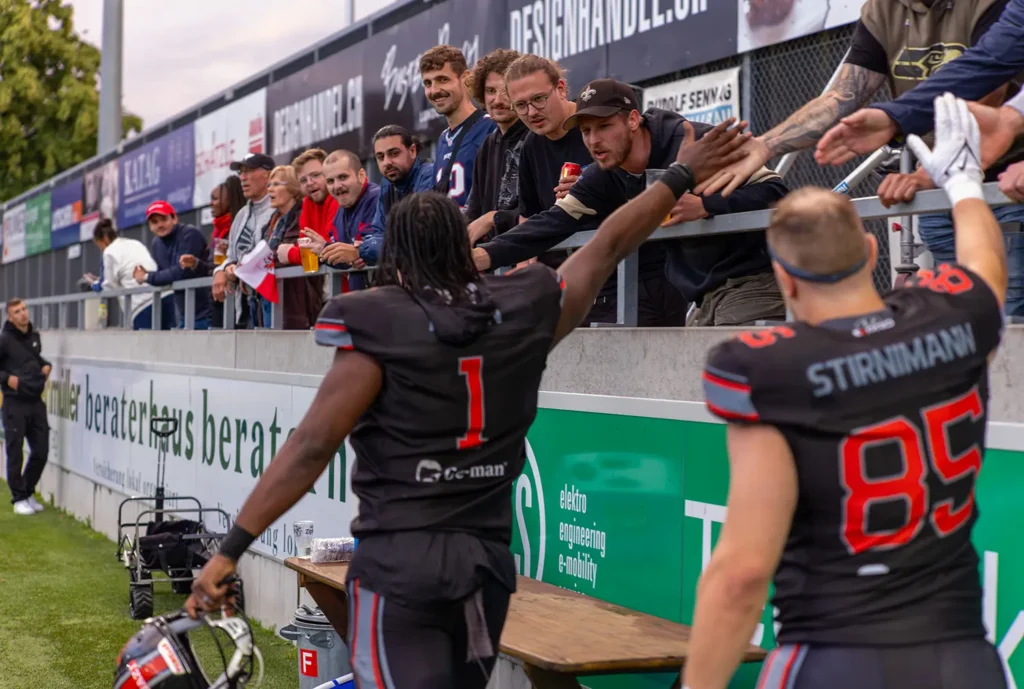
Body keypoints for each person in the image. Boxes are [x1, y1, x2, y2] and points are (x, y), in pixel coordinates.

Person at [185, 117, 752, 688]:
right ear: (465, 247)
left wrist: (231, 548)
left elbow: (310, 447)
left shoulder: (378, 320)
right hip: (483, 564)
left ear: (397, 257)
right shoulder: (526, 304)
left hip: (400, 563)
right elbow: (606, 246)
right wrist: (679, 175)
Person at [685, 94, 1009, 689]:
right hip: (963, 657)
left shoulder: (769, 368)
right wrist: (964, 183)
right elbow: (987, 267)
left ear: (782, 275)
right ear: (870, 249)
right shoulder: (949, 316)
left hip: (836, 654)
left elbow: (742, 574)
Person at [476, 78, 789, 326]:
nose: (594, 140)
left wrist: (708, 207)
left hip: (757, 280)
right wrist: (482, 256)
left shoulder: (692, 144)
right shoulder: (606, 172)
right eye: (585, 131)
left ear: (633, 120)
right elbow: (550, 223)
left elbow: (776, 192)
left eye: (604, 126)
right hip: (704, 296)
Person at [815, 0, 1024, 163]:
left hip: (1001, 169)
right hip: (941, 166)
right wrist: (894, 116)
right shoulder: (880, 10)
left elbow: (991, 82)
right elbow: (985, 65)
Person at [485, 54, 592, 274]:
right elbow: (529, 217)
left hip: (618, 270)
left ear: (561, 89)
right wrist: (524, 263)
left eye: (539, 99)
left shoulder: (595, 124)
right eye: (521, 105)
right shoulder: (531, 145)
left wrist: (592, 185)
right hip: (559, 275)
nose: (532, 112)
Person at [463, 48, 528, 244]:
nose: (497, 100)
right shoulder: (487, 146)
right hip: (495, 261)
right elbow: (473, 211)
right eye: (490, 91)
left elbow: (542, 211)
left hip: (532, 258)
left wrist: (494, 218)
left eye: (505, 91)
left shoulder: (537, 136)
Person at [421, 45, 497, 209]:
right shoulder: (443, 139)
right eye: (428, 83)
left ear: (465, 78)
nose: (434, 90)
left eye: (443, 79)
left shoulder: (491, 127)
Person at [253, 165, 324, 330]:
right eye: (269, 185)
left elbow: (286, 256)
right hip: (268, 297)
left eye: (277, 184)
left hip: (294, 301)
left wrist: (257, 264)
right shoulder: (270, 224)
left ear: (292, 187)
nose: (270, 189)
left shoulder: (302, 217)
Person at [0, 298, 51, 516]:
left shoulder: (33, 337)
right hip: (14, 403)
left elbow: (33, 359)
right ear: (10, 317)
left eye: (24, 309)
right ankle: (18, 497)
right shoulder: (4, 340)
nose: (23, 314)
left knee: (41, 450)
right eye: (17, 312)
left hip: (35, 402)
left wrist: (46, 365)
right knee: (15, 451)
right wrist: (7, 379)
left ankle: (28, 490)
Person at [214, 153, 276, 328]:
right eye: (241, 172)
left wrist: (240, 268)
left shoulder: (279, 207)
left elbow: (274, 252)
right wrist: (221, 269)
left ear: (268, 175)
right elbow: (231, 256)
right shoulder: (241, 215)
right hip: (245, 307)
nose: (243, 178)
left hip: (273, 306)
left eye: (249, 171)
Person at [303, 149, 379, 292]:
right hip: (361, 301)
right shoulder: (340, 212)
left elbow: (372, 251)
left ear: (361, 176)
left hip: (387, 301)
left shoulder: (377, 199)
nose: (337, 186)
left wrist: (359, 252)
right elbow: (346, 262)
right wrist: (324, 250)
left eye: (343, 177)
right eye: (330, 181)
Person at [359, 126, 436, 265]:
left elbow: (418, 238)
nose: (387, 162)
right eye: (380, 157)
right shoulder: (387, 183)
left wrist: (362, 250)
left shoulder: (429, 174)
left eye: (394, 154)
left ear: (412, 151)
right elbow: (378, 232)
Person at [134, 200, 212, 330]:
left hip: (207, 314)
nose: (160, 225)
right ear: (150, 226)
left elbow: (181, 272)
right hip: (184, 316)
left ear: (174, 218)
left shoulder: (190, 234)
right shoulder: (156, 244)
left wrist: (147, 277)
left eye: (163, 219)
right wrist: (152, 276)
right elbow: (166, 275)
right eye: (154, 222)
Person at [180, 176, 246, 328]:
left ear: (229, 200)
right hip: (217, 302)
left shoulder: (239, 227)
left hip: (234, 302)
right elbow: (212, 269)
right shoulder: (217, 231)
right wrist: (196, 263)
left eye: (215, 199)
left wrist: (228, 260)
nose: (211, 203)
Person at [91, 219, 167, 330]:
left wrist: (94, 284)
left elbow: (108, 286)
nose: (101, 249)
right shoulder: (134, 243)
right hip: (164, 295)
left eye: (99, 246)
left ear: (104, 240)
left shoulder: (109, 252)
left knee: (146, 346)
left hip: (142, 305)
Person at [293, 148, 340, 253]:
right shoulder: (308, 203)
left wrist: (289, 253)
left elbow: (327, 248)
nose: (309, 183)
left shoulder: (337, 198)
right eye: (303, 180)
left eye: (315, 175)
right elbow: (304, 245)